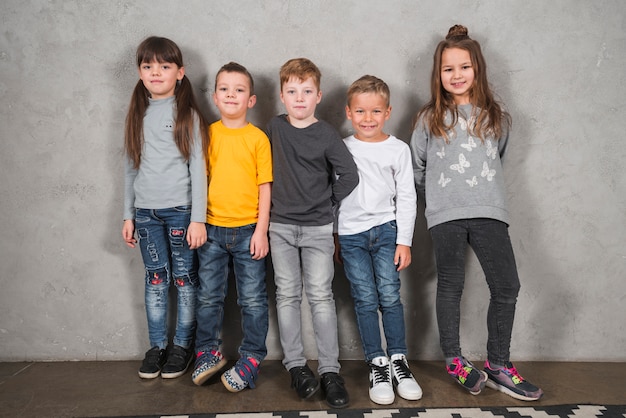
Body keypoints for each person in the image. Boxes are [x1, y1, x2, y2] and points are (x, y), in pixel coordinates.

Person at [410, 25, 543, 401]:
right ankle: (454, 359)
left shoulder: (494, 117)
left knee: (507, 286)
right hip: (445, 215)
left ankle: (498, 363)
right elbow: (417, 168)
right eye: (447, 69)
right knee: (451, 285)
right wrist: (437, 200)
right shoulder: (428, 118)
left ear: (477, 69)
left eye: (463, 67)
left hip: (489, 211)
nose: (456, 75)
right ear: (438, 74)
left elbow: (496, 158)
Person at [266, 58, 359, 409]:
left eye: (306, 91)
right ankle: (296, 366)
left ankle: (331, 371)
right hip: (281, 227)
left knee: (320, 296)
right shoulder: (275, 129)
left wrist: (328, 201)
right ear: (281, 95)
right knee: (287, 294)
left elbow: (349, 175)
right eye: (292, 91)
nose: (299, 98)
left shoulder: (325, 134)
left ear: (318, 96)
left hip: (319, 229)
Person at [122, 36, 209, 379]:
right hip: (145, 214)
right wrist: (127, 214)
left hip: (180, 212)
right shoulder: (137, 114)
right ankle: (157, 346)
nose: (155, 72)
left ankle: (181, 347)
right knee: (156, 280)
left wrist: (198, 219)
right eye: (147, 66)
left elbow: (199, 169)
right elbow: (130, 168)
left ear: (180, 72)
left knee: (184, 280)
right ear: (140, 72)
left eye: (164, 66)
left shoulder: (187, 115)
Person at [335, 75, 422, 405]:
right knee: (365, 298)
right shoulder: (342, 148)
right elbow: (334, 195)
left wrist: (404, 241)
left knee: (389, 294)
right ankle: (377, 362)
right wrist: (335, 236)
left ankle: (399, 359)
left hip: (386, 231)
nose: (367, 119)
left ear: (388, 112)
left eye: (375, 112)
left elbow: (407, 197)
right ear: (348, 112)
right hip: (351, 235)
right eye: (360, 111)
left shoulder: (398, 150)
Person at [192, 62, 272, 392]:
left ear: (251, 100)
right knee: (209, 297)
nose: (231, 94)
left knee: (252, 300)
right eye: (224, 89)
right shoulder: (207, 134)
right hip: (210, 230)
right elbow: (199, 181)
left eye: (239, 90)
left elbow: (265, 186)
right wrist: (196, 222)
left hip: (248, 230)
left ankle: (251, 357)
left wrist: (261, 231)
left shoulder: (258, 139)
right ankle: (207, 352)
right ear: (214, 96)